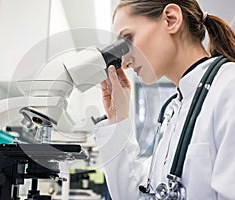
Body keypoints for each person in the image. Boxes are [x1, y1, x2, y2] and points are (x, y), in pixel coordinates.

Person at [94, 0, 235, 199]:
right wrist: (118, 119)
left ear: (171, 19)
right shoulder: (173, 110)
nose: (124, 62)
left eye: (128, 39)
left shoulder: (229, 88)